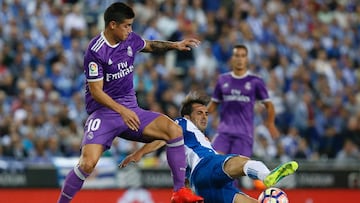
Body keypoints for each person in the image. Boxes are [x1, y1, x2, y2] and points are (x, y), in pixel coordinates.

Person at [57, 2, 203, 203]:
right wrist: (122, 111)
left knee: (174, 131)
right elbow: (96, 92)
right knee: (87, 164)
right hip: (104, 113)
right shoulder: (96, 50)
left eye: (131, 25)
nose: (130, 30)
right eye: (126, 26)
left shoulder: (130, 39)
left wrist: (175, 45)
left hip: (131, 109)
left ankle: (179, 192)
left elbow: (150, 45)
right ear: (112, 25)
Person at [120, 92, 298, 203]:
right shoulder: (181, 123)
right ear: (187, 116)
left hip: (205, 188)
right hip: (206, 166)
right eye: (199, 113)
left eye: (206, 113)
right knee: (241, 161)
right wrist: (140, 153)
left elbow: (186, 179)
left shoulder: (196, 139)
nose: (205, 117)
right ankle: (266, 176)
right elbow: (162, 139)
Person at [207, 44, 280, 157]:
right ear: (232, 58)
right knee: (214, 161)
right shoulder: (222, 80)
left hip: (244, 134)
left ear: (247, 59)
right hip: (223, 133)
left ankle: (261, 173)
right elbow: (213, 104)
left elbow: (269, 105)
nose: (240, 59)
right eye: (237, 55)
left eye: (243, 56)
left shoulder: (255, 81)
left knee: (236, 169)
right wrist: (200, 116)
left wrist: (270, 123)